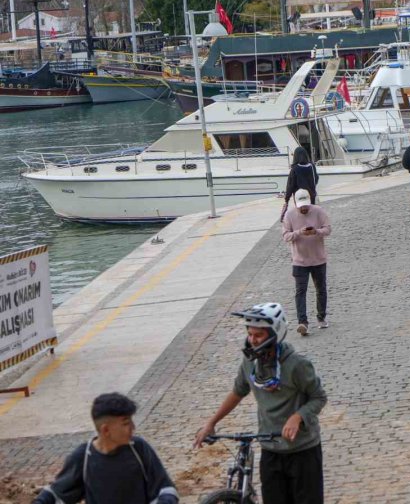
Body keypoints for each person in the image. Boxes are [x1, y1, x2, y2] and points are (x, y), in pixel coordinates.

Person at [195, 303, 327, 504]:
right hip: (271, 450)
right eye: (250, 334)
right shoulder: (249, 363)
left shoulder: (297, 365)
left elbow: (319, 397)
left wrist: (298, 416)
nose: (252, 340)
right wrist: (211, 422)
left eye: (258, 335)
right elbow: (238, 392)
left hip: (303, 451)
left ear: (275, 334)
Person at [33, 393, 178, 504]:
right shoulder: (84, 457)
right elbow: (56, 493)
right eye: (126, 423)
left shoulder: (139, 449)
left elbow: (165, 489)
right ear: (106, 430)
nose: (133, 428)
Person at [282, 189, 332, 335]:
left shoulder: (318, 211)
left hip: (318, 259)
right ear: (296, 204)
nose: (304, 208)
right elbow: (285, 236)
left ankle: (321, 317)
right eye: (301, 206)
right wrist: (299, 232)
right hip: (299, 261)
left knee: (321, 289)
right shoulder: (289, 215)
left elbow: (328, 229)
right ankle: (302, 322)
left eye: (306, 205)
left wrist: (316, 231)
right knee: (300, 292)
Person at [282, 146, 319, 221]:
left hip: (299, 198)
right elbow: (316, 179)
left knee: (302, 217)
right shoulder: (312, 166)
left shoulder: (295, 169)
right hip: (311, 195)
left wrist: (287, 199)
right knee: (312, 215)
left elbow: (290, 185)